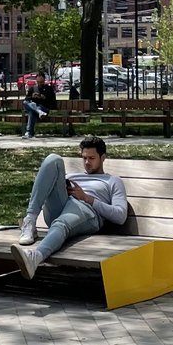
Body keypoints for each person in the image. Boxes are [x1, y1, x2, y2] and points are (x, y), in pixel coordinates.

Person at [9, 136, 128, 280]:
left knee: (62, 223)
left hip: (88, 212)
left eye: (91, 158)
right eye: (84, 158)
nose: (87, 162)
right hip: (64, 206)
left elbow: (120, 216)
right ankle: (30, 221)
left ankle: (35, 257)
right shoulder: (73, 176)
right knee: (53, 159)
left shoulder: (113, 181)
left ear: (103, 158)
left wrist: (87, 199)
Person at [22, 71, 57, 138]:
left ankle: (29, 132)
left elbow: (53, 103)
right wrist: (32, 97)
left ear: (44, 80)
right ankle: (39, 112)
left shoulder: (49, 89)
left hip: (44, 108)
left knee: (32, 112)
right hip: (37, 108)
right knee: (25, 103)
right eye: (38, 82)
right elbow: (27, 99)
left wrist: (44, 98)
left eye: (41, 82)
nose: (40, 83)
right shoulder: (32, 88)